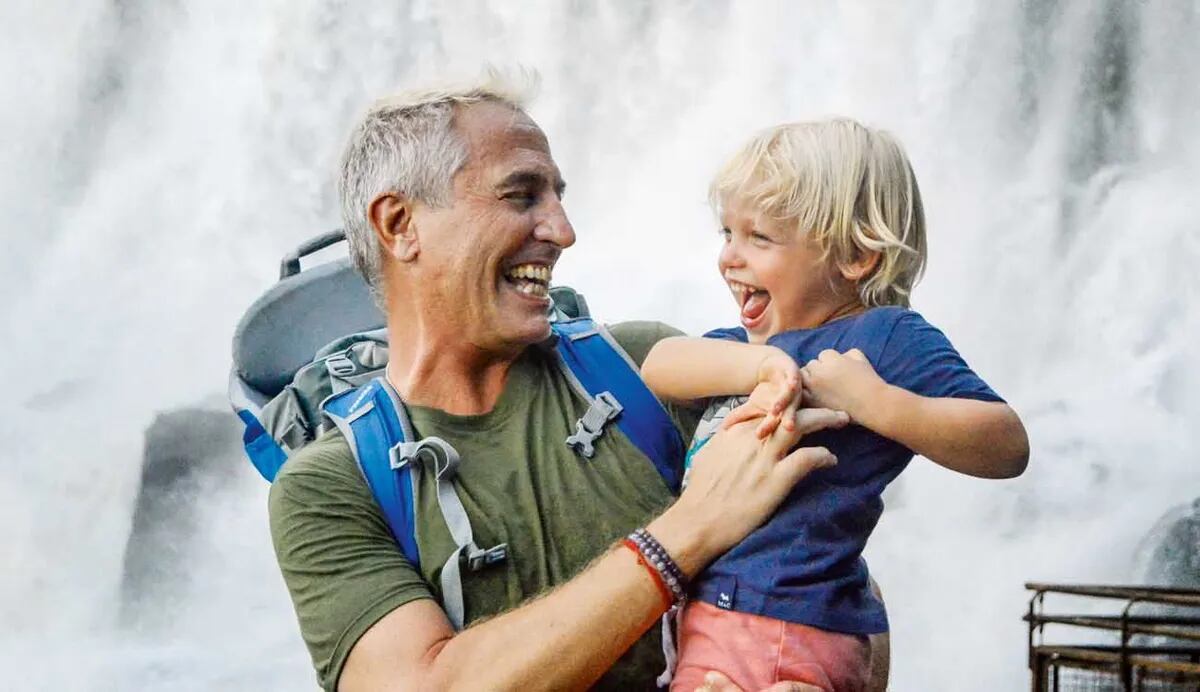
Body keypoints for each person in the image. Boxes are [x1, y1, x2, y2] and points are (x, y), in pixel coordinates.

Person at [267, 73, 847, 691]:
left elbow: (831, 590)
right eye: (521, 197)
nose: (562, 231)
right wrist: (692, 528)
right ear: (401, 223)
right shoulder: (328, 487)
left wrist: (823, 679)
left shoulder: (651, 370)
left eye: (557, 197)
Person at [640, 118, 1031, 691]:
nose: (730, 257)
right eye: (727, 233)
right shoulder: (746, 347)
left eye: (759, 238)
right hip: (715, 615)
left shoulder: (881, 339)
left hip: (783, 623)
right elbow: (661, 365)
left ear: (855, 256)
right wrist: (765, 365)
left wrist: (878, 402)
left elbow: (1005, 443)